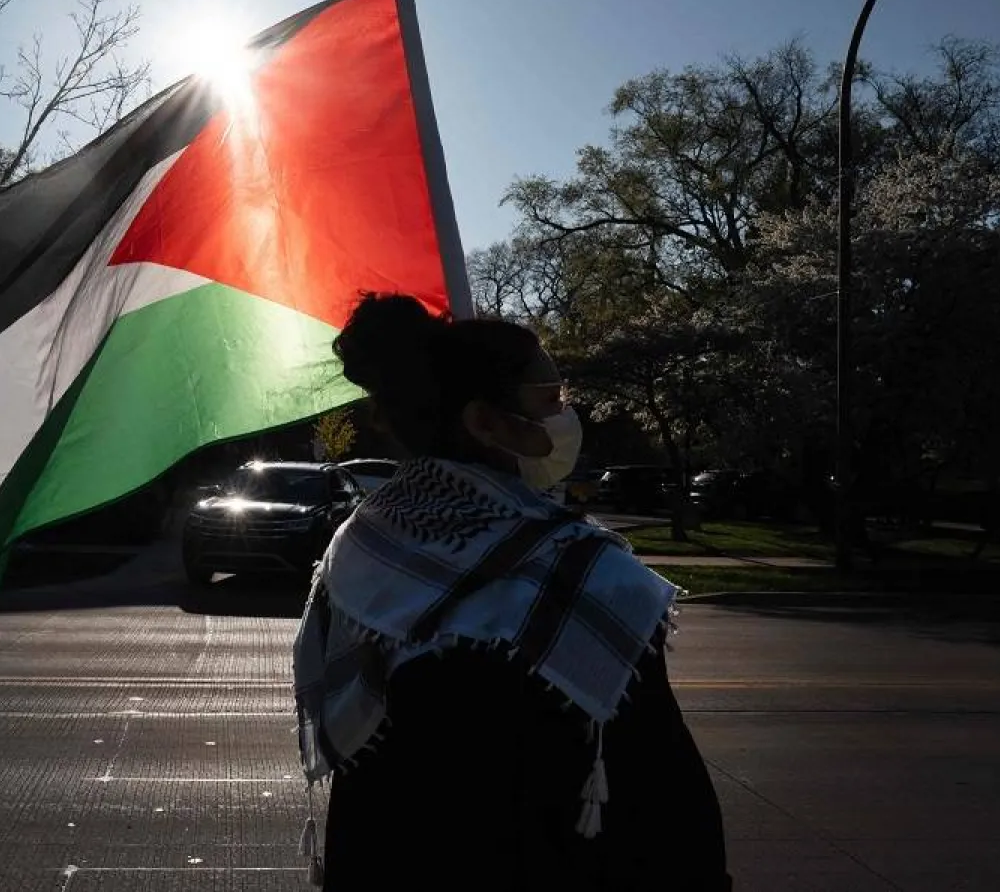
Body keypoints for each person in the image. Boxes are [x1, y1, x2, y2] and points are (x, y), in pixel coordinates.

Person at [292, 293, 730, 891]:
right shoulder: (587, 573)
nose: (565, 416)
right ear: (483, 421)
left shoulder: (360, 548)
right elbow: (663, 802)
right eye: (550, 400)